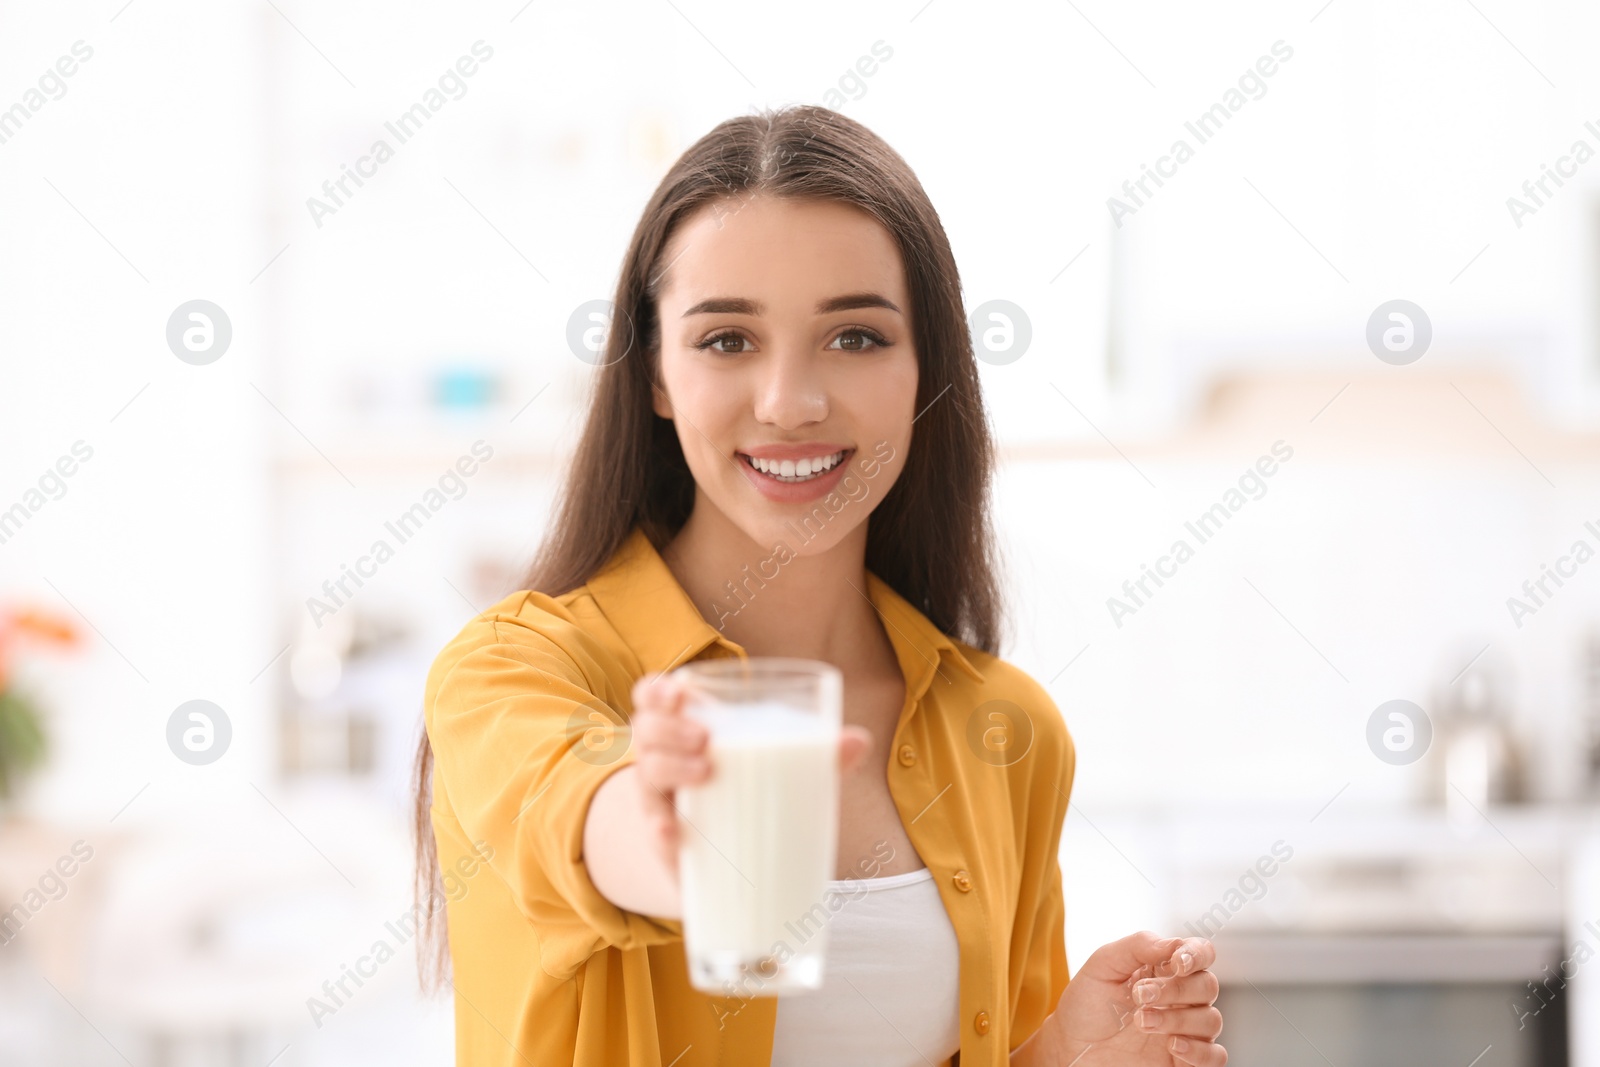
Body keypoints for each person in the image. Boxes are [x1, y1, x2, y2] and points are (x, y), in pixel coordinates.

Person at [413, 104, 1226, 1067]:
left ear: (927, 369)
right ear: (657, 373)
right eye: (726, 340)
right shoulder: (512, 670)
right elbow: (585, 820)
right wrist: (668, 829)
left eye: (855, 338)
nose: (790, 402)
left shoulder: (1007, 730)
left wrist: (1054, 1061)